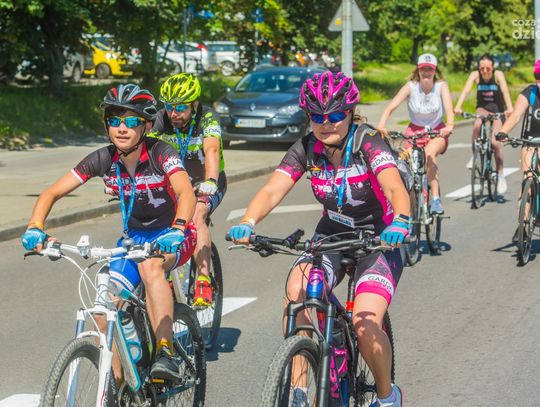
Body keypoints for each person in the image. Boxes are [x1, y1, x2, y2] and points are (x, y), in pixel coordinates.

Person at [229, 71, 409, 407]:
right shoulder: (307, 148)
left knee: (365, 325)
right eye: (317, 116)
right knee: (296, 295)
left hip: (378, 240)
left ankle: (387, 396)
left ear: (350, 113)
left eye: (336, 115)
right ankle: (298, 392)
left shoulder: (368, 142)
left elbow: (394, 186)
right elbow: (272, 189)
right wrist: (248, 222)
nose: (326, 124)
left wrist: (400, 220)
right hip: (332, 235)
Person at [20, 84, 197, 382]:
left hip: (174, 232)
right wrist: (35, 226)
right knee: (102, 311)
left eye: (131, 121)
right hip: (134, 239)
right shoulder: (103, 159)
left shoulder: (160, 153)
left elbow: (185, 192)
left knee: (151, 267)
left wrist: (178, 228)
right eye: (114, 121)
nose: (121, 129)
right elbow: (51, 192)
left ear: (146, 126)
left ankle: (166, 352)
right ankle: (116, 386)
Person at [149, 73, 227, 307]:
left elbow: (212, 149)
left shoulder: (207, 117)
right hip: (176, 184)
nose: (173, 113)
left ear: (194, 104)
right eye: (169, 107)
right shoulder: (161, 119)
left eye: (181, 107)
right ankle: (165, 275)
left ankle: (203, 279)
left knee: (196, 215)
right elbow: (143, 147)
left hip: (206, 181)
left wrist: (210, 180)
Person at [377, 53, 454, 214]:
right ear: (418, 70)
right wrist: (381, 126)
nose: (426, 73)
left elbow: (449, 109)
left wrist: (449, 125)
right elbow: (390, 107)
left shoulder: (441, 86)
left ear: (435, 71)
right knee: (404, 161)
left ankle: (435, 199)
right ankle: (409, 208)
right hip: (414, 131)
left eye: (430, 69)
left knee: (429, 154)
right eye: (423, 69)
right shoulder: (411, 86)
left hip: (437, 131)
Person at [454, 54, 514, 193]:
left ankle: (500, 175)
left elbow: (505, 91)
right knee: (477, 125)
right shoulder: (475, 75)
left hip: (498, 110)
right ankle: (474, 155)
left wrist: (510, 108)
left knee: (495, 143)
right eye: (482, 68)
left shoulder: (498, 75)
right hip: (482, 109)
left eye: (488, 68)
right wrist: (458, 106)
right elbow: (466, 91)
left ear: (493, 67)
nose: (485, 71)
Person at [496, 60, 540, 241]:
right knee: (527, 179)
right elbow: (515, 115)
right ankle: (522, 225)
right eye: (538, 76)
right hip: (530, 140)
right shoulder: (529, 93)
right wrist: (503, 132)